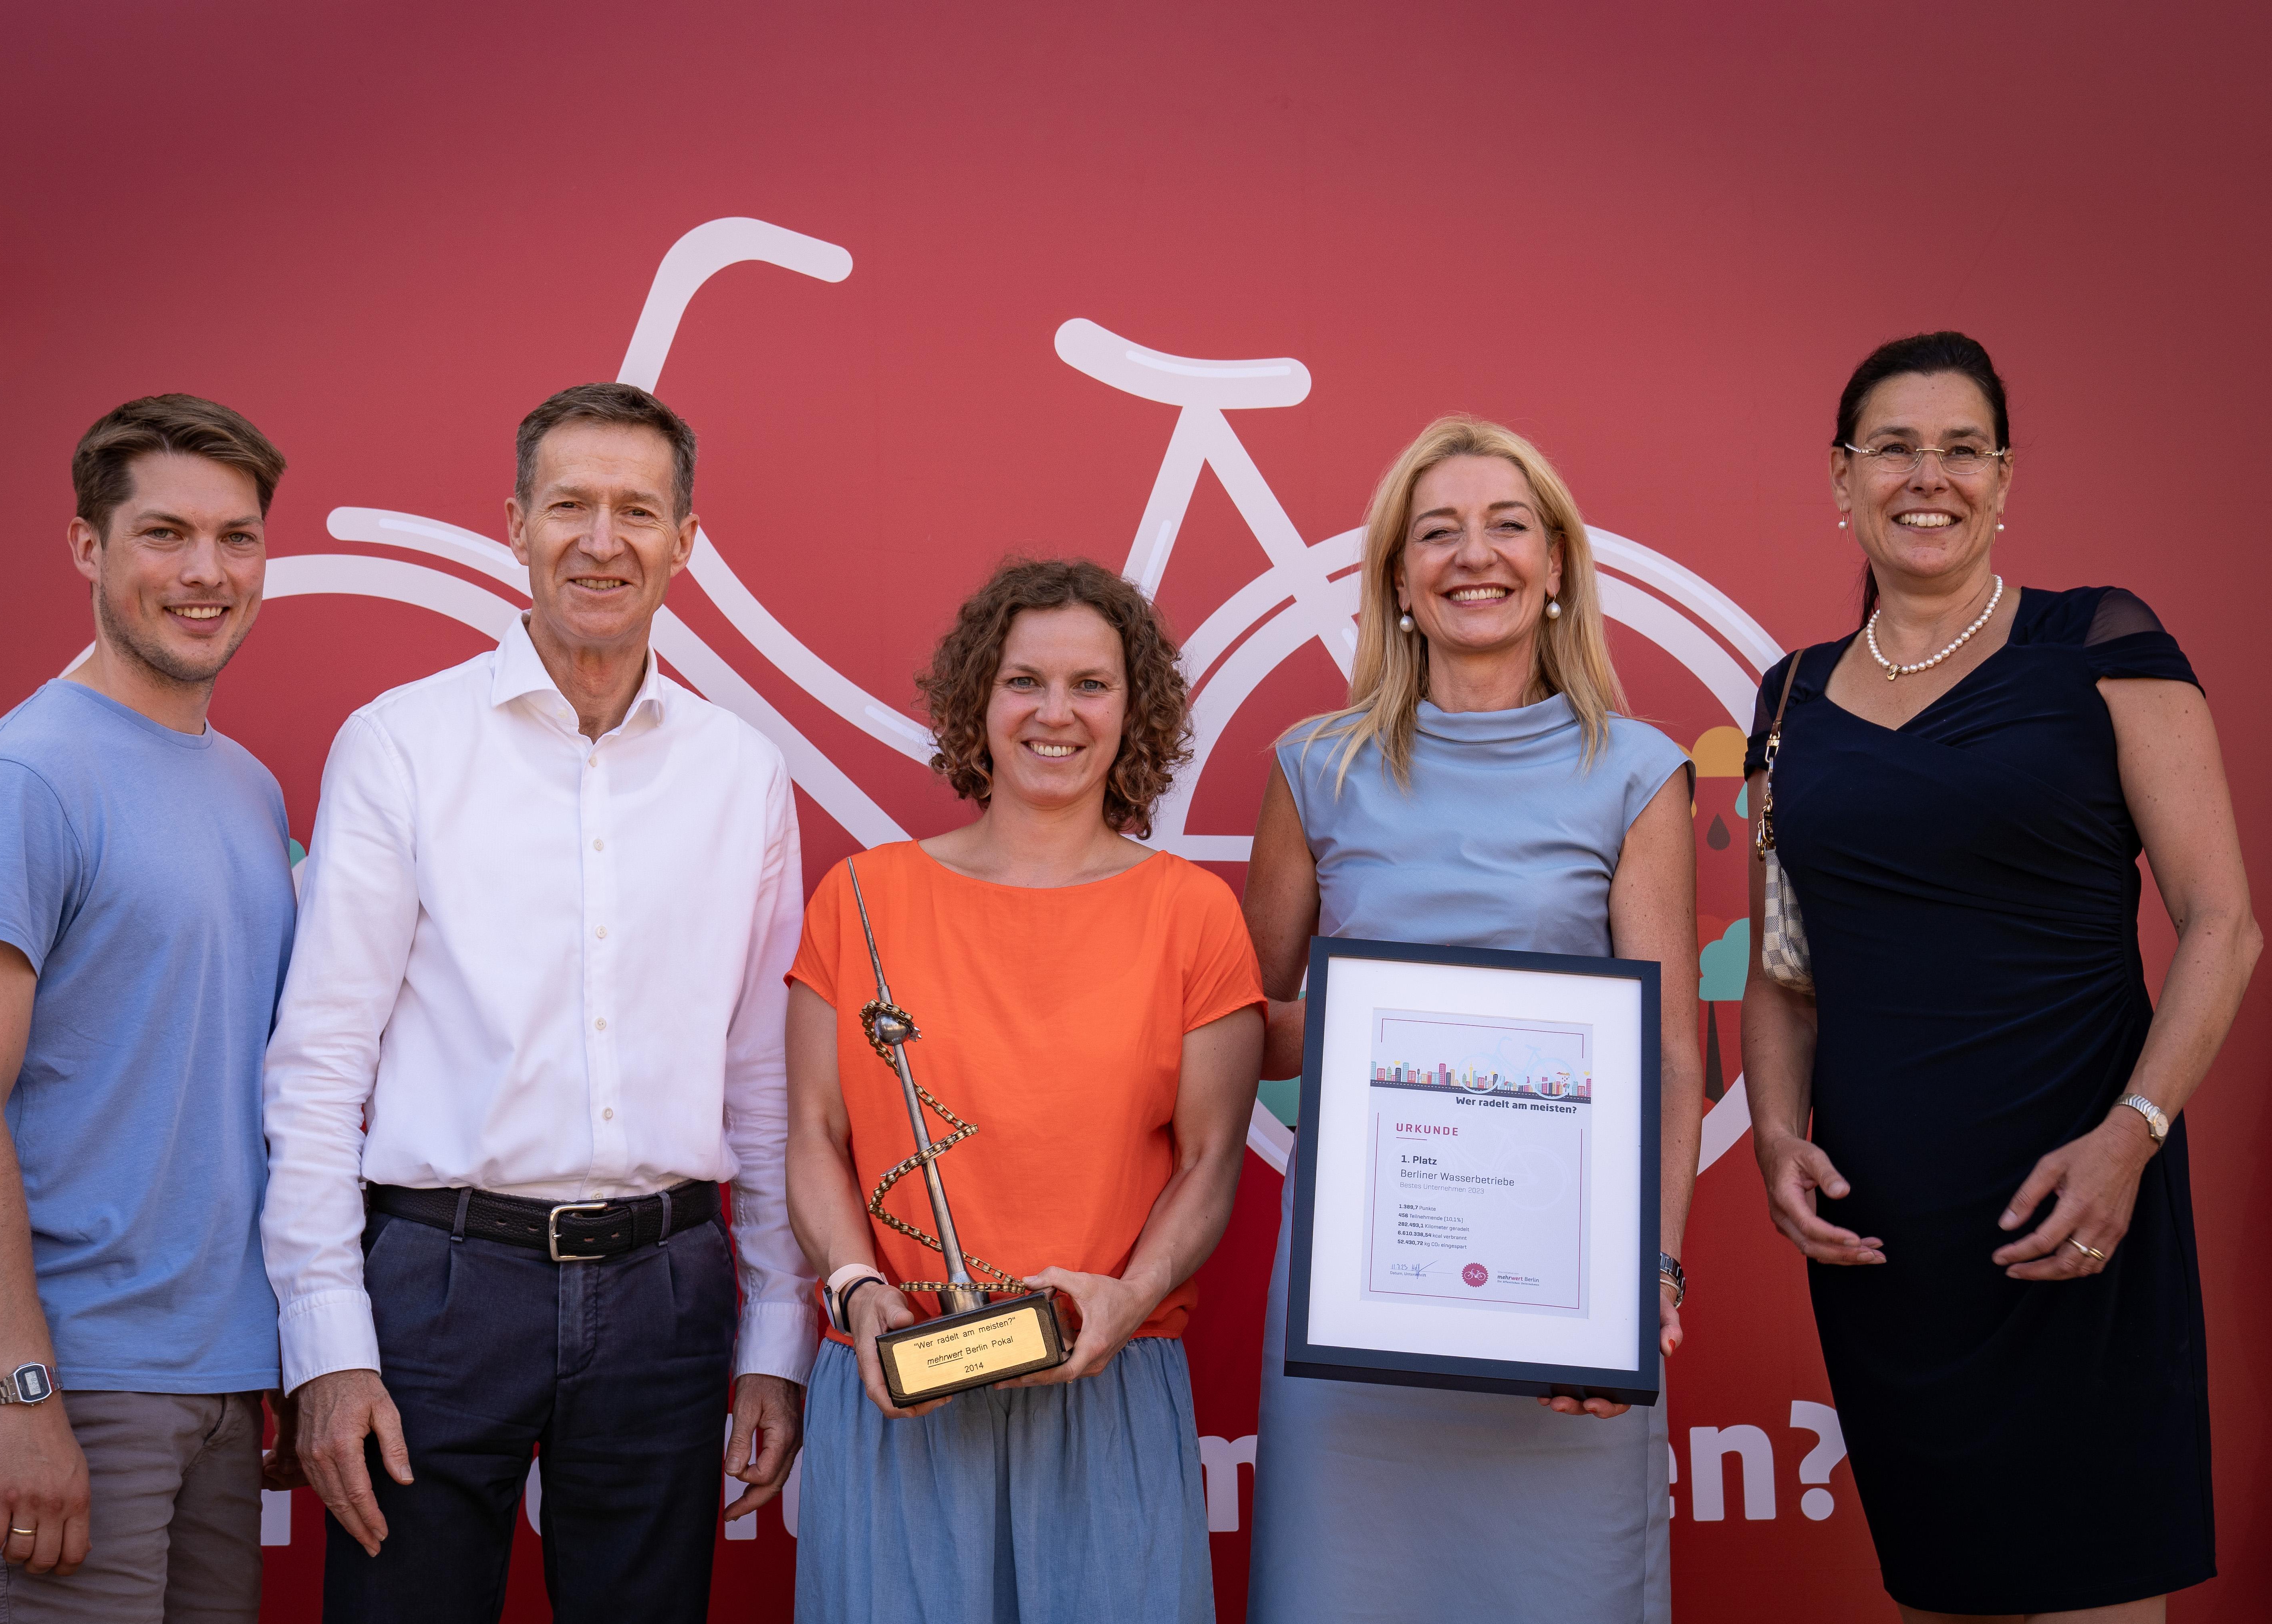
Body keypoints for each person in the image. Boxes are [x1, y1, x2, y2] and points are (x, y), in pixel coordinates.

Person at [260, 383, 816, 1622]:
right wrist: (330, 1344)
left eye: (637, 510)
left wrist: (779, 1335)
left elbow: (763, 1080)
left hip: (670, 1291)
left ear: (688, 538)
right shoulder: (401, 743)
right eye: (569, 505)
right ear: (513, 525)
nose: (601, 540)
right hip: (438, 1285)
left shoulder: (742, 775)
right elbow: (319, 1065)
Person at [1740, 332, 2258, 1622]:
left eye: (1962, 448)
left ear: (2003, 477)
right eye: (1896, 448)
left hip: (2076, 1220)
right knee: (1941, 1595)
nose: (1931, 477)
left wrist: (2127, 1143)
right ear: (1840, 477)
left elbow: (2221, 925)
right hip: (1887, 1248)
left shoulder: (2100, 642)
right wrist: (1767, 1133)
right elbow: (1782, 962)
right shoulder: (1788, 696)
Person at [1243, 416, 1703, 1622]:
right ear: (1396, 576)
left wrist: (1644, 1281)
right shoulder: (1313, 767)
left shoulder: (1636, 770)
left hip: (1568, 1315)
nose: (1473, 555)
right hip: (1356, 1311)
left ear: (1557, 563)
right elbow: (1253, 1027)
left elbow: (1668, 1059)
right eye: (1435, 531)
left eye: (1507, 525)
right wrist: (1376, 1039)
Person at [785, 557, 1265, 1624]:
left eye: (1090, 684)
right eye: (1023, 681)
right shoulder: (860, 897)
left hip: (1108, 1376)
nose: (1056, 713)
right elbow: (813, 1137)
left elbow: (1209, 1159)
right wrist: (857, 1292)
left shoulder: (1192, 915)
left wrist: (1129, 1300)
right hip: (896, 1381)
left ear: (1133, 710)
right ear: (976, 700)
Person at [0, 395, 300, 1622]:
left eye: (236, 538)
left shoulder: (248, 787)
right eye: (164, 534)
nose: (205, 573)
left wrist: (264, 1364)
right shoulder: (27, 776)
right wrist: (24, 1396)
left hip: (219, 1388)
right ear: (88, 546)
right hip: (68, 1383)